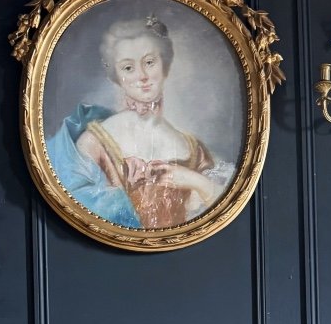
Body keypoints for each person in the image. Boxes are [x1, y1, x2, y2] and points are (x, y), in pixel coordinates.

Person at [46, 15, 233, 229]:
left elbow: (217, 213)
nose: (142, 76)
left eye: (150, 62)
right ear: (114, 76)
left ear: (165, 65)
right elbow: (77, 211)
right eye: (128, 68)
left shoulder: (194, 149)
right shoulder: (94, 141)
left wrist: (193, 180)